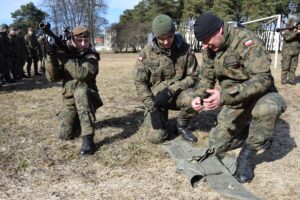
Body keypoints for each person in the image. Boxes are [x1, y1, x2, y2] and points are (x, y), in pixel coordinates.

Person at [191, 12, 287, 183]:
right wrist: (199, 96)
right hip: (236, 101)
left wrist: (225, 96)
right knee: (216, 144)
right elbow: (206, 78)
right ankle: (257, 133)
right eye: (202, 42)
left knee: (267, 109)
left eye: (207, 40)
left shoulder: (247, 41)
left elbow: (262, 79)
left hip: (261, 95)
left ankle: (248, 154)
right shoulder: (210, 49)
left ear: (219, 30)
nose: (205, 46)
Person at [133, 14, 199, 144]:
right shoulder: (146, 52)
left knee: (194, 98)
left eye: (169, 36)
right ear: (155, 36)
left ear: (174, 33)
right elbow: (140, 81)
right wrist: (152, 108)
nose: (166, 41)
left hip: (179, 94)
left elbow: (194, 76)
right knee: (156, 138)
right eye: (161, 38)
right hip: (156, 100)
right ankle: (165, 124)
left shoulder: (185, 49)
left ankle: (181, 126)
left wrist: (171, 90)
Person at [45, 26, 102, 155]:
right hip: (70, 101)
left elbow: (82, 74)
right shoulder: (65, 52)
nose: (83, 44)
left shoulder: (91, 55)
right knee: (65, 135)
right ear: (71, 40)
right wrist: (51, 57)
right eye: (79, 40)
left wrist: (65, 59)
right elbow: (53, 77)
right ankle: (78, 122)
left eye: (86, 41)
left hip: (88, 98)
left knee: (80, 91)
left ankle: (88, 138)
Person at [280, 20, 300, 85]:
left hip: (296, 51)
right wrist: (296, 33)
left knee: (293, 67)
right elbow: (287, 38)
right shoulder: (285, 31)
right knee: (285, 66)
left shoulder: (297, 32)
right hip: (287, 52)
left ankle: (291, 80)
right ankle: (283, 79)